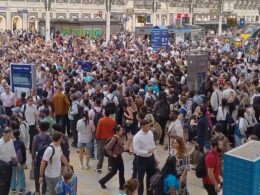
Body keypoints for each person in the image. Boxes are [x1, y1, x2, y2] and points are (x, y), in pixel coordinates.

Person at [133, 119, 157, 195]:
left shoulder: (150, 133)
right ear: (142, 126)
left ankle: (149, 193)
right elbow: (135, 150)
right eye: (147, 126)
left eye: (149, 126)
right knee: (140, 178)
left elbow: (153, 145)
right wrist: (146, 152)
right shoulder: (137, 136)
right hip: (141, 159)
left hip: (150, 158)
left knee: (150, 177)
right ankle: (140, 193)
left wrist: (155, 157)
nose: (149, 128)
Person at [99, 125, 125, 190]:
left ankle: (122, 186)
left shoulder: (119, 137)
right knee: (114, 171)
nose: (122, 131)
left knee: (122, 170)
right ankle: (102, 181)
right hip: (115, 157)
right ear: (117, 131)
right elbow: (107, 147)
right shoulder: (114, 138)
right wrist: (112, 154)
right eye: (121, 130)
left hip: (119, 156)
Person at [32, 121, 52, 195]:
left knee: (37, 176)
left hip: (38, 161)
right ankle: (44, 191)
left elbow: (33, 150)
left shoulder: (36, 137)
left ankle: (37, 191)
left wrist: (34, 159)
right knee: (45, 175)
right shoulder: (49, 137)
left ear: (40, 128)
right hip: (47, 160)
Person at [95, 109, 116, 173]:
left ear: (104, 113)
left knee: (101, 153)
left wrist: (97, 137)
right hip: (110, 139)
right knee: (110, 152)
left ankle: (99, 168)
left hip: (102, 139)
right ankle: (110, 166)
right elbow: (114, 130)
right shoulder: (113, 121)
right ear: (109, 114)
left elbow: (98, 130)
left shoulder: (101, 120)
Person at [0, 127, 17, 195]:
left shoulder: (11, 141)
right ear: (4, 134)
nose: (9, 138)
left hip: (9, 165)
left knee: (8, 182)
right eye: (8, 136)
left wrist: (17, 161)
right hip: (1, 166)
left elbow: (13, 152)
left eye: (10, 136)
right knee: (2, 184)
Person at [10, 129, 27, 194]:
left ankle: (13, 188)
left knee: (13, 174)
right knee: (21, 174)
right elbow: (24, 153)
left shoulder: (10, 143)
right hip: (20, 162)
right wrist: (24, 162)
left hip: (12, 162)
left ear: (13, 135)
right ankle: (21, 189)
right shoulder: (21, 143)